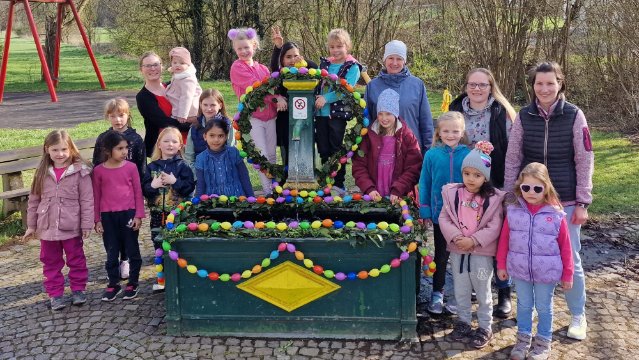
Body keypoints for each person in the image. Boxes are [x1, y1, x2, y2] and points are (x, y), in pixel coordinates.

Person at [504, 61, 594, 340]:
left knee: (571, 258)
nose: (544, 89)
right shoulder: (524, 116)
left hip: (563, 199)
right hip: (528, 199)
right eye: (539, 83)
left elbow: (584, 158)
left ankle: (578, 315)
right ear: (532, 86)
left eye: (550, 83)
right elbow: (513, 157)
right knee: (528, 254)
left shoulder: (574, 115)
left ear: (560, 84)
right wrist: (510, 197)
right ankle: (531, 308)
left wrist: (582, 201)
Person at [448, 67, 518, 317]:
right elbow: (444, 139)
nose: (477, 89)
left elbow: (512, 151)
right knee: (468, 236)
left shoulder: (502, 112)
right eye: (472, 84)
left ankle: (503, 291)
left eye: (482, 85)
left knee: (495, 238)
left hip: (494, 184)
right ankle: (473, 289)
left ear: (491, 87)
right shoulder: (455, 108)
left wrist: (509, 188)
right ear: (466, 86)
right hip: (463, 186)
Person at [497, 162, 574, 360]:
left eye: (537, 188)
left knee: (543, 306)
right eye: (526, 187)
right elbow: (504, 239)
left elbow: (566, 246)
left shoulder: (556, 215)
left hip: (546, 272)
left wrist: (568, 273)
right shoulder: (513, 211)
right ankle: (522, 340)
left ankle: (543, 342)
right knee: (523, 305)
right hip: (520, 269)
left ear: (546, 188)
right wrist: (501, 264)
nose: (531, 192)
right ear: (520, 187)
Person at [438, 141, 506, 349]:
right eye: (467, 173)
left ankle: (485, 326)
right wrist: (457, 237)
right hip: (459, 251)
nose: (471, 179)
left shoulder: (492, 199)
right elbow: (444, 218)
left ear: (484, 176)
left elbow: (495, 225)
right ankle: (464, 322)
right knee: (460, 289)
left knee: (483, 290)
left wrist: (474, 240)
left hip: (481, 254)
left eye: (476, 175)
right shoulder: (453, 194)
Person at [24, 130, 94, 310]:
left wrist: (87, 224)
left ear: (71, 149)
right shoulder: (41, 172)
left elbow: (87, 200)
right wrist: (31, 225)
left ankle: (78, 289)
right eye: (55, 150)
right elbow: (33, 201)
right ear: (47, 150)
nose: (60, 154)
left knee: (76, 259)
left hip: (71, 226)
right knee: (50, 261)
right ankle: (55, 294)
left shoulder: (80, 172)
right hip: (46, 227)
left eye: (64, 149)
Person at [418, 111, 470, 314]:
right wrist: (425, 209)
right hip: (441, 215)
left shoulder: (469, 154)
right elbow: (425, 183)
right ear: (439, 132)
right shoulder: (431, 155)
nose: (451, 135)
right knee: (440, 255)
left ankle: (460, 295)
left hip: (464, 216)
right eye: (446, 131)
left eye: (455, 131)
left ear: (462, 132)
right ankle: (437, 293)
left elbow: (479, 181)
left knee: (461, 257)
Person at [92, 97, 145, 280]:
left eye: (121, 115)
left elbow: (140, 165)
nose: (117, 120)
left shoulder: (136, 139)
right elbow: (97, 164)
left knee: (129, 234)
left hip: (129, 192)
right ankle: (114, 263)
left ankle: (127, 260)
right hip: (109, 194)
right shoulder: (103, 139)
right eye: (113, 116)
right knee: (112, 235)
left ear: (127, 115)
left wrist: (142, 194)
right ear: (108, 117)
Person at [142, 127, 195, 292]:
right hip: (158, 214)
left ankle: (181, 276)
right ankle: (162, 279)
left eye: (174, 141)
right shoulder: (151, 167)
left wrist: (175, 181)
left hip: (178, 214)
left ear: (180, 145)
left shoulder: (183, 166)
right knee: (159, 245)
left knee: (178, 243)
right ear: (159, 144)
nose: (170, 144)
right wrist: (152, 185)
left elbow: (189, 189)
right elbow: (143, 189)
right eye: (166, 141)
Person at [229, 27, 279, 194]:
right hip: (253, 118)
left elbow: (272, 86)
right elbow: (255, 90)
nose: (243, 51)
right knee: (262, 155)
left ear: (254, 46)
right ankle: (268, 191)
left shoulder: (263, 68)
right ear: (235, 50)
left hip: (270, 117)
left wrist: (277, 97)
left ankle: (275, 188)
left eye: (246, 47)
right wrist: (275, 97)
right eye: (239, 48)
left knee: (272, 154)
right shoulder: (237, 67)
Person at [351, 89, 422, 203]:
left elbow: (413, 167)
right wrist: (369, 188)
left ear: (395, 113)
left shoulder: (407, 136)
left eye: (388, 113)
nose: (384, 118)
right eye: (380, 114)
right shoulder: (368, 136)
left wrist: (399, 189)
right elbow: (359, 166)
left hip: (400, 196)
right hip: (374, 194)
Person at [365, 40, 434, 154]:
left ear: (404, 61)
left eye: (399, 59)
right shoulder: (372, 86)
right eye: (391, 58)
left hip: (411, 151)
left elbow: (425, 122)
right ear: (384, 60)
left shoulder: (417, 85)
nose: (395, 63)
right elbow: (366, 121)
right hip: (381, 151)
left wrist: (428, 152)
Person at [315, 28, 362, 195]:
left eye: (339, 46)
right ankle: (326, 182)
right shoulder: (325, 64)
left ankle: (339, 184)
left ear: (347, 46)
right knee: (323, 149)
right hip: (320, 114)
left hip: (337, 114)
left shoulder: (352, 66)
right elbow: (317, 83)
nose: (335, 50)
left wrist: (326, 98)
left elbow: (345, 89)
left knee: (336, 148)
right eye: (332, 47)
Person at [269, 26, 319, 178]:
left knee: (306, 147)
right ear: (282, 60)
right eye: (288, 57)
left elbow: (315, 68)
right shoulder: (281, 75)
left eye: (295, 56)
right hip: (286, 120)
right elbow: (273, 67)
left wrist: (303, 61)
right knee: (287, 149)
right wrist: (278, 48)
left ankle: (308, 176)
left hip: (305, 120)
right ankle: (287, 177)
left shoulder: (306, 73)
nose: (292, 60)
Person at [136, 51, 191, 155]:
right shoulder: (143, 97)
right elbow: (164, 123)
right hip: (163, 150)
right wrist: (192, 125)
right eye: (148, 66)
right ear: (141, 70)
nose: (152, 68)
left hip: (189, 143)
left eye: (156, 64)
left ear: (162, 67)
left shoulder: (174, 85)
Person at [195, 118, 254, 197]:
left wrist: (251, 198)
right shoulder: (201, 158)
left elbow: (244, 178)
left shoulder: (234, 152)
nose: (216, 140)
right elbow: (200, 185)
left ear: (226, 136)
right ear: (205, 136)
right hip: (213, 203)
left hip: (238, 200)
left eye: (220, 136)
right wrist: (198, 204)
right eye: (212, 135)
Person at [184, 89, 234, 170]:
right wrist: (198, 175)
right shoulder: (194, 127)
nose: (209, 108)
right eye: (205, 105)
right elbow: (189, 157)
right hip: (200, 173)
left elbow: (231, 151)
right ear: (200, 105)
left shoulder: (228, 125)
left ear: (220, 105)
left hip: (223, 171)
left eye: (213, 105)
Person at [165, 47, 203, 123]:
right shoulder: (180, 73)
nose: (177, 65)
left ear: (188, 64)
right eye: (174, 63)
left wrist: (182, 114)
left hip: (189, 112)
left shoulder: (188, 79)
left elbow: (186, 97)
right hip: (179, 105)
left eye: (182, 63)